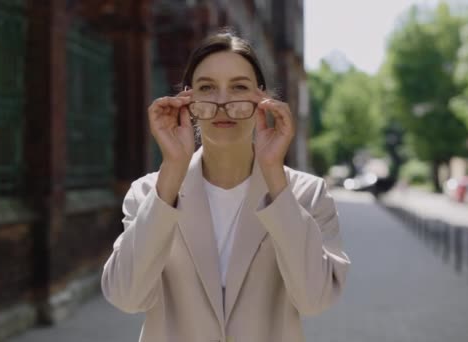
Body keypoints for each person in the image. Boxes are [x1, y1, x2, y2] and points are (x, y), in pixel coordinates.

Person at [101, 30, 351, 342]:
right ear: (188, 99)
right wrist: (173, 168)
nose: (222, 100)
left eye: (238, 87)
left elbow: (315, 299)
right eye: (207, 88)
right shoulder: (149, 193)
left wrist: (274, 174)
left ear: (262, 98)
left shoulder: (307, 194)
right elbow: (127, 297)